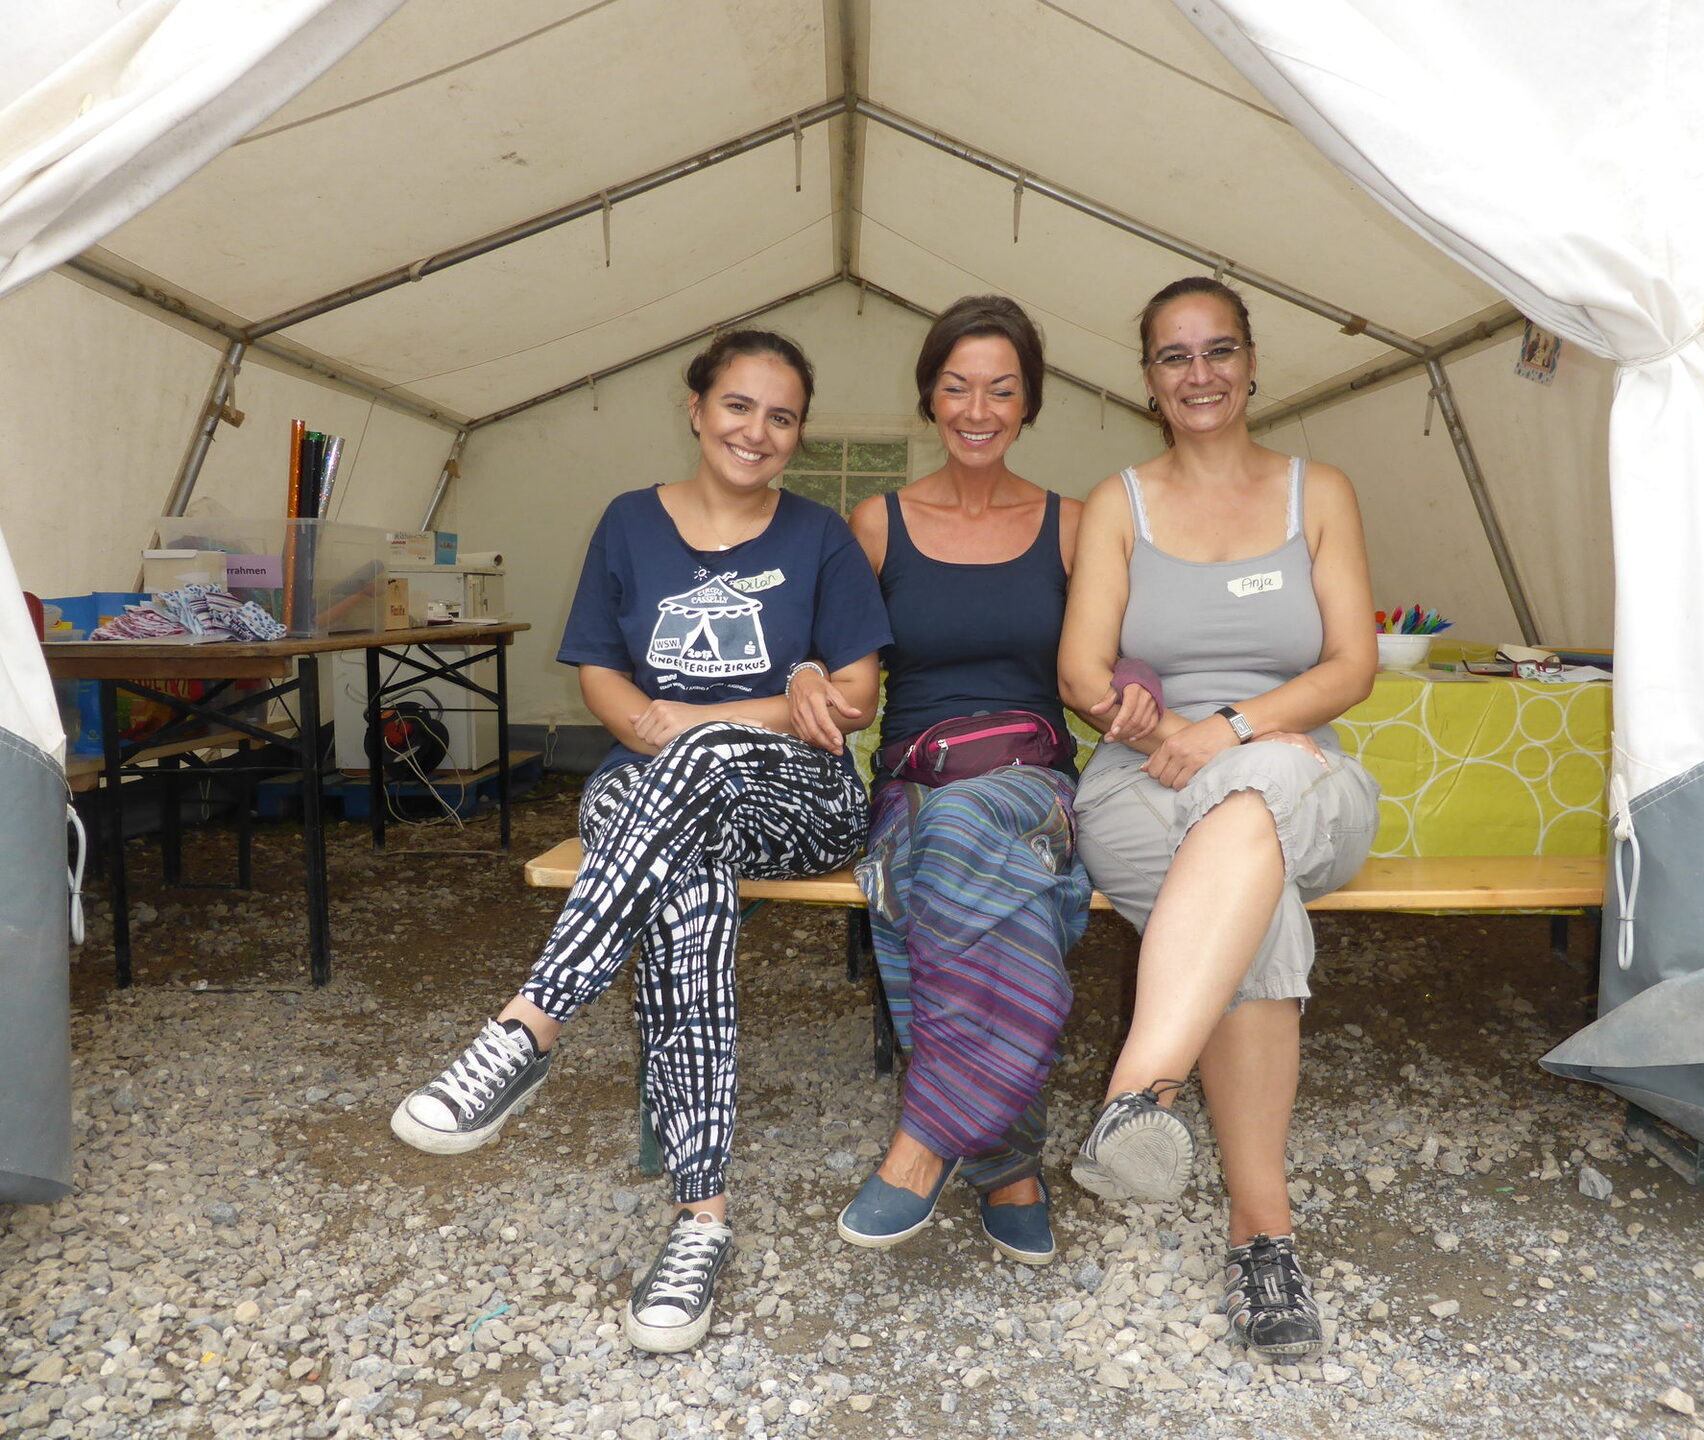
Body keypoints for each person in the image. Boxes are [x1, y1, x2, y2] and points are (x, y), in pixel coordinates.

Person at [389, 330, 891, 1355]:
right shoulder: (629, 522)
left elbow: (855, 696)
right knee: (686, 892)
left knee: (695, 769)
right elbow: (601, 675)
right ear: (696, 408)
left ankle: (529, 1027)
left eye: (782, 416)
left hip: (801, 799)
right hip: (651, 790)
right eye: (738, 406)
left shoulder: (822, 537)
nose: (757, 430)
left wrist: (706, 723)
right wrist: (697, 729)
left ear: (797, 434)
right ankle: (701, 1220)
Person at [1057, 277, 1382, 1362]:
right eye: (1174, 356)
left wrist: (1235, 731)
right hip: (1142, 784)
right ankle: (1263, 1238)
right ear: (1147, 380)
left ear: (1251, 363)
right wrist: (1159, 730)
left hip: (1302, 772)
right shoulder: (1120, 504)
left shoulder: (1317, 493)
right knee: (1257, 901)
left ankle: (1137, 1089)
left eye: (1218, 350)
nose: (1199, 374)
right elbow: (1081, 672)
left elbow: (1352, 666)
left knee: (1262, 791)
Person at [789, 295, 1090, 1266]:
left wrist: (1137, 687)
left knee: (960, 843)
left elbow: (1117, 653)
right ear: (929, 396)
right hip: (915, 784)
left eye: (1002, 389)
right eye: (957, 386)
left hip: (1032, 783)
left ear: (1029, 402)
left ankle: (924, 1145)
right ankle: (1008, 1165)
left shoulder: (1074, 525)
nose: (978, 408)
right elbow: (836, 664)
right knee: (953, 847)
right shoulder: (877, 524)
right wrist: (807, 676)